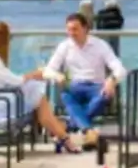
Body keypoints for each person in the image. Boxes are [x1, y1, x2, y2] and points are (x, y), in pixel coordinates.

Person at [0, 21, 81, 153]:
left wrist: (32, 77)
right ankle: (62, 135)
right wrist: (34, 75)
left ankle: (60, 135)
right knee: (36, 94)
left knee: (36, 96)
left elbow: (10, 81)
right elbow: (15, 81)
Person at [44, 12, 127, 140]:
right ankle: (88, 131)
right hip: (74, 86)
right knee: (66, 95)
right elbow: (48, 70)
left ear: (85, 28)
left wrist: (112, 79)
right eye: (69, 29)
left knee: (103, 96)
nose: (71, 33)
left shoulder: (100, 45)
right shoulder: (64, 46)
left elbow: (120, 69)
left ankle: (70, 126)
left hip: (96, 86)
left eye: (75, 29)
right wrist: (57, 75)